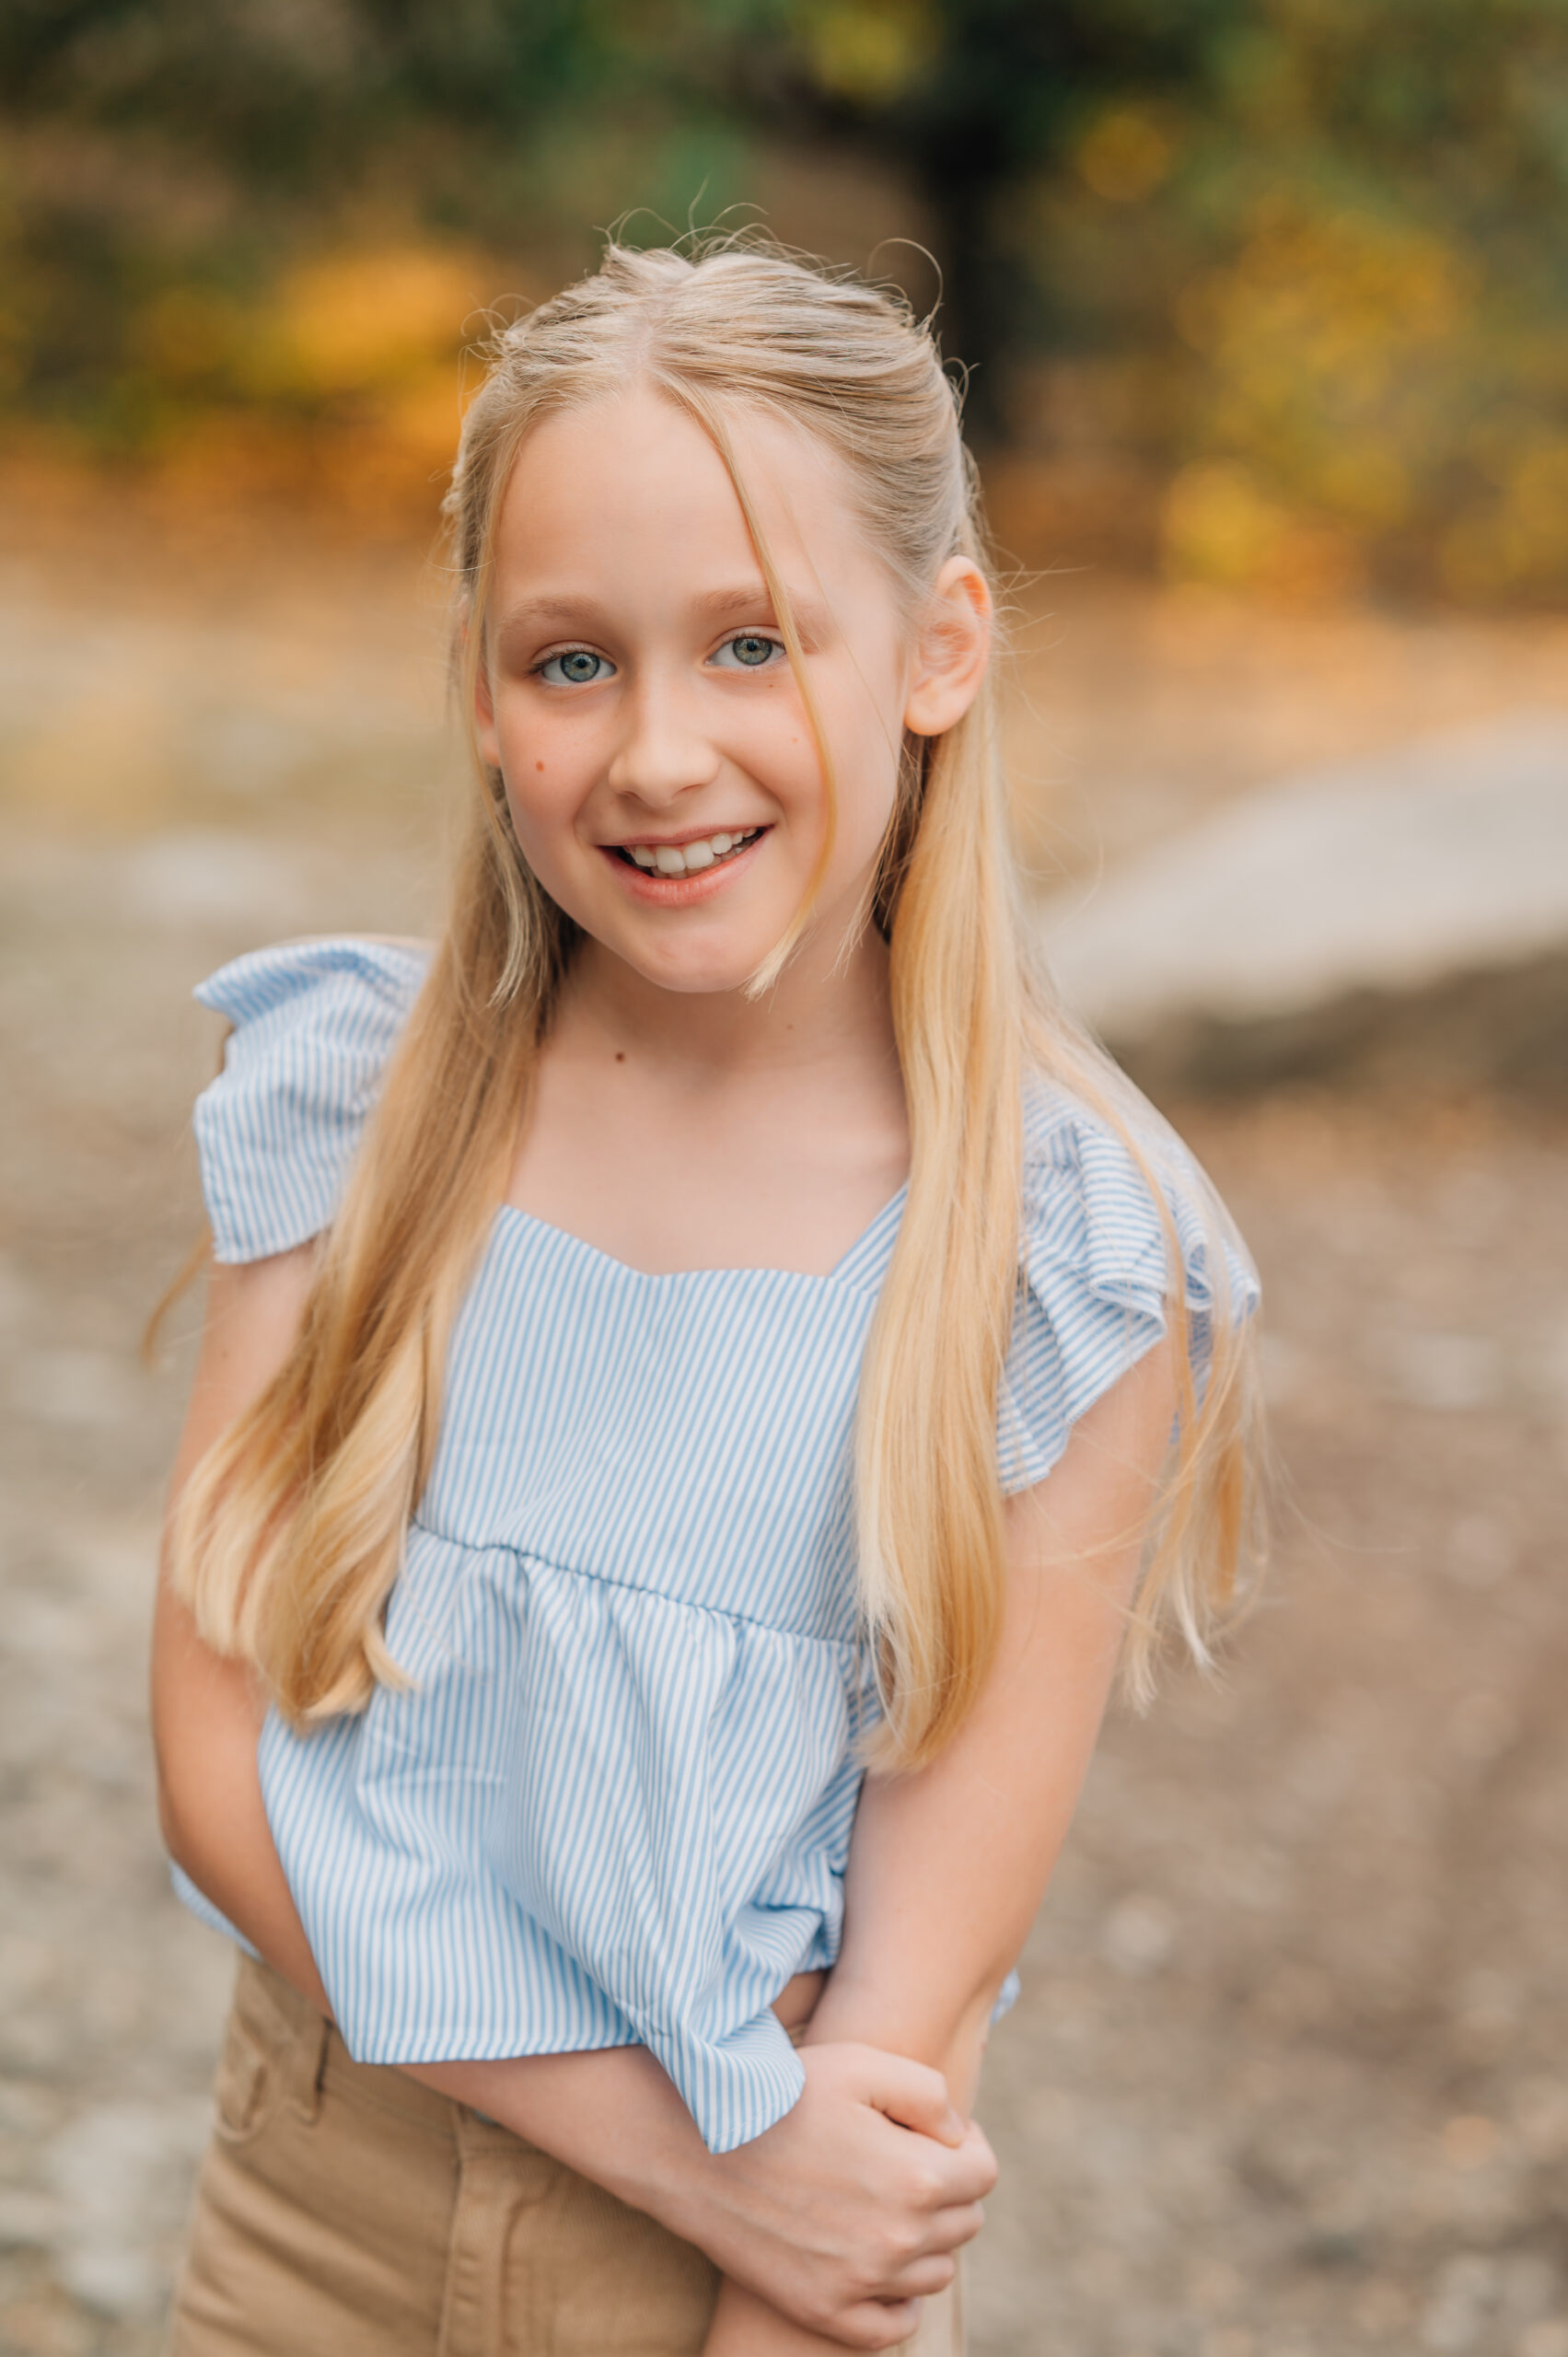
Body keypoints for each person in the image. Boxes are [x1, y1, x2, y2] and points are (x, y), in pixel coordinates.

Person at [151, 236, 1260, 2357]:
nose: (660, 751)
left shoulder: (1065, 1257)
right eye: (572, 662)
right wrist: (685, 2150)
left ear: (939, 648)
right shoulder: (352, 1107)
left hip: (734, 2279)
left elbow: (916, 1987)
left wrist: (754, 2244)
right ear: (482, 689)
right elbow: (214, 1745)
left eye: (753, 642)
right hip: (308, 2193)